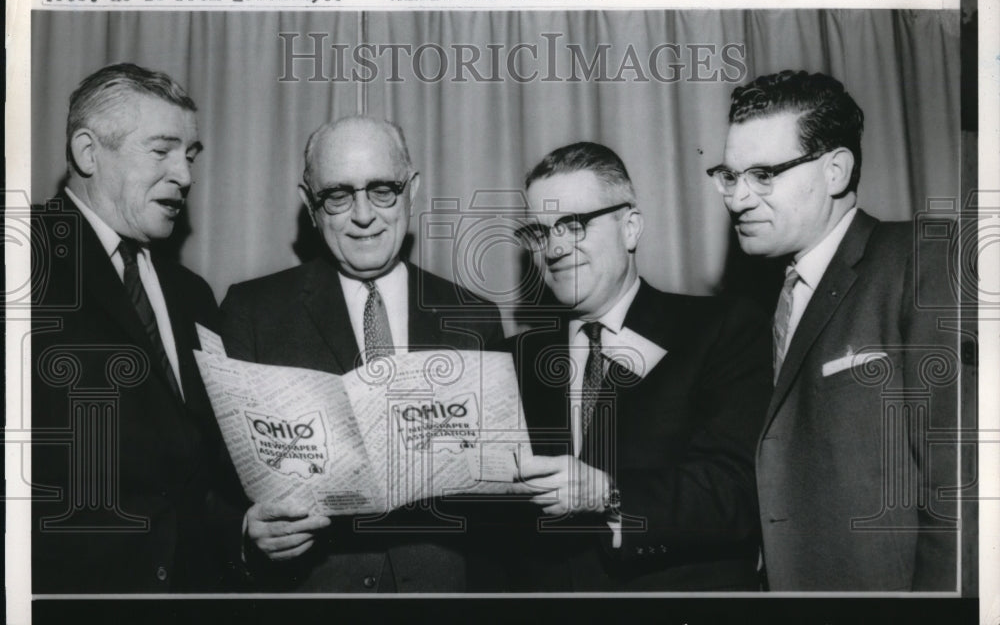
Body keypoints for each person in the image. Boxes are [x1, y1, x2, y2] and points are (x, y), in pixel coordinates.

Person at [220, 116, 505, 592]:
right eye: (338, 195)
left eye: (382, 190)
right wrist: (248, 530)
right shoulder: (252, 312)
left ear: (411, 189)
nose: (364, 214)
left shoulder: (474, 318)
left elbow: (501, 500)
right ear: (309, 205)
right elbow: (209, 482)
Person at [708, 69, 959, 590]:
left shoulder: (923, 260)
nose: (736, 198)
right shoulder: (760, 308)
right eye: (729, 176)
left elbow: (963, 481)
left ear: (835, 170)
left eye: (763, 174)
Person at [504, 141, 771, 591]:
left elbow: (736, 493)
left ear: (630, 229)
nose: (552, 249)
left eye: (572, 225)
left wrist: (609, 495)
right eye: (539, 233)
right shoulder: (510, 360)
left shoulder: (720, 330)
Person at [31, 63, 244, 593]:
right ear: (87, 153)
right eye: (161, 151)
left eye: (190, 156)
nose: (186, 176)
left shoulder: (193, 295)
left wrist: (240, 529)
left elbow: (194, 471)